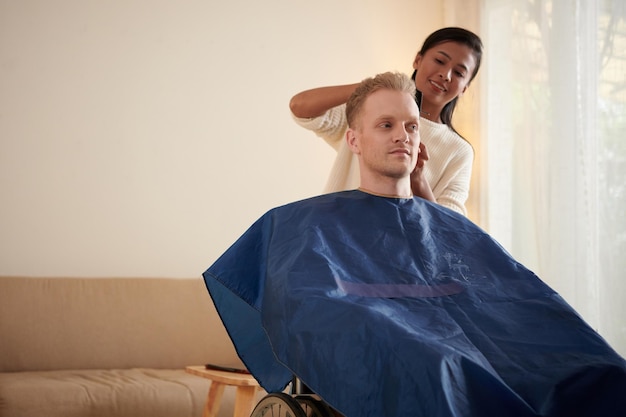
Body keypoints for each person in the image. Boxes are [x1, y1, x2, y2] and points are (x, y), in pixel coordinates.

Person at [203, 72, 626, 417]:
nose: (401, 135)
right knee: (444, 370)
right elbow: (311, 303)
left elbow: (514, 291)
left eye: (410, 125)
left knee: (598, 371)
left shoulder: (445, 223)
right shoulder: (303, 222)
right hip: (427, 356)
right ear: (354, 140)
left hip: (487, 348)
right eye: (385, 125)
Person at [289, 27, 483, 216]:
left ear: (465, 87)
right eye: (439, 60)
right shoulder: (367, 111)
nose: (445, 75)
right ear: (418, 59)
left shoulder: (458, 152)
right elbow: (300, 107)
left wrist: (418, 179)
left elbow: (449, 232)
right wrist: (372, 88)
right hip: (336, 238)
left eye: (459, 73)